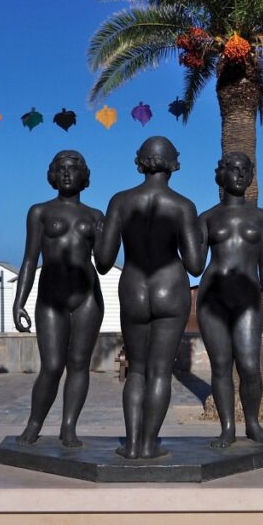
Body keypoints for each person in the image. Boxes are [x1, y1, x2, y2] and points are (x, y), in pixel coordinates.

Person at [95, 136, 204, 459]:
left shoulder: (120, 202)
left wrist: (100, 233)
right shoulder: (183, 206)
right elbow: (195, 265)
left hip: (133, 289)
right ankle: (148, 444)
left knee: (137, 370)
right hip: (170, 288)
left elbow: (102, 262)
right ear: (175, 163)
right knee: (160, 371)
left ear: (139, 162)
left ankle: (131, 445)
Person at [13, 150, 105, 448]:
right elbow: (29, 260)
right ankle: (34, 423)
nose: (67, 173)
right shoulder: (39, 212)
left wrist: (105, 236)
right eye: (61, 168)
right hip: (51, 297)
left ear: (83, 175)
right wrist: (19, 301)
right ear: (53, 175)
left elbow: (103, 263)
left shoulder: (95, 216)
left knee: (78, 364)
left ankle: (69, 427)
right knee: (52, 366)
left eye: (73, 168)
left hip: (87, 297)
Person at [197, 152, 263, 448]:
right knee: (220, 365)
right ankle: (227, 428)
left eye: (245, 170)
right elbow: (195, 264)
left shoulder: (262, 218)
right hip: (212, 300)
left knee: (248, 365)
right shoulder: (206, 218)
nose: (239, 174)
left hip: (247, 299)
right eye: (233, 169)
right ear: (220, 174)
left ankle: (253, 424)